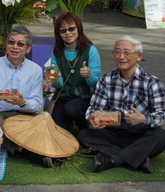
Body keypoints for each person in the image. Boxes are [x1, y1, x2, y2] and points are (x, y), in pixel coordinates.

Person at [79, 36, 165, 174]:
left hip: (141, 131)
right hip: (114, 129)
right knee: (84, 135)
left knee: (161, 136)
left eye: (126, 52)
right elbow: (94, 109)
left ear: (138, 56)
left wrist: (143, 119)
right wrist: (93, 118)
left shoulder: (153, 82)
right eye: (117, 52)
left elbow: (162, 115)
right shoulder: (106, 80)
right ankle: (139, 157)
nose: (121, 57)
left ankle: (114, 160)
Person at [0, 25, 50, 167]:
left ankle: (17, 148)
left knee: (43, 120)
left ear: (28, 49)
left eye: (20, 44)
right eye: (11, 42)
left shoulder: (35, 70)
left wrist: (23, 102)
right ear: (6, 45)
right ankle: (27, 150)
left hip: (24, 115)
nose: (15, 47)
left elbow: (36, 105)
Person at [49, 12, 101, 131]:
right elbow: (58, 85)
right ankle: (69, 125)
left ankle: (83, 124)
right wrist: (54, 79)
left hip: (84, 97)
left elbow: (97, 84)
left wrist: (89, 75)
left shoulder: (90, 50)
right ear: (59, 34)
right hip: (63, 96)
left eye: (71, 28)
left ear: (79, 28)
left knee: (71, 108)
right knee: (58, 131)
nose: (68, 33)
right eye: (63, 31)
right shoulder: (56, 52)